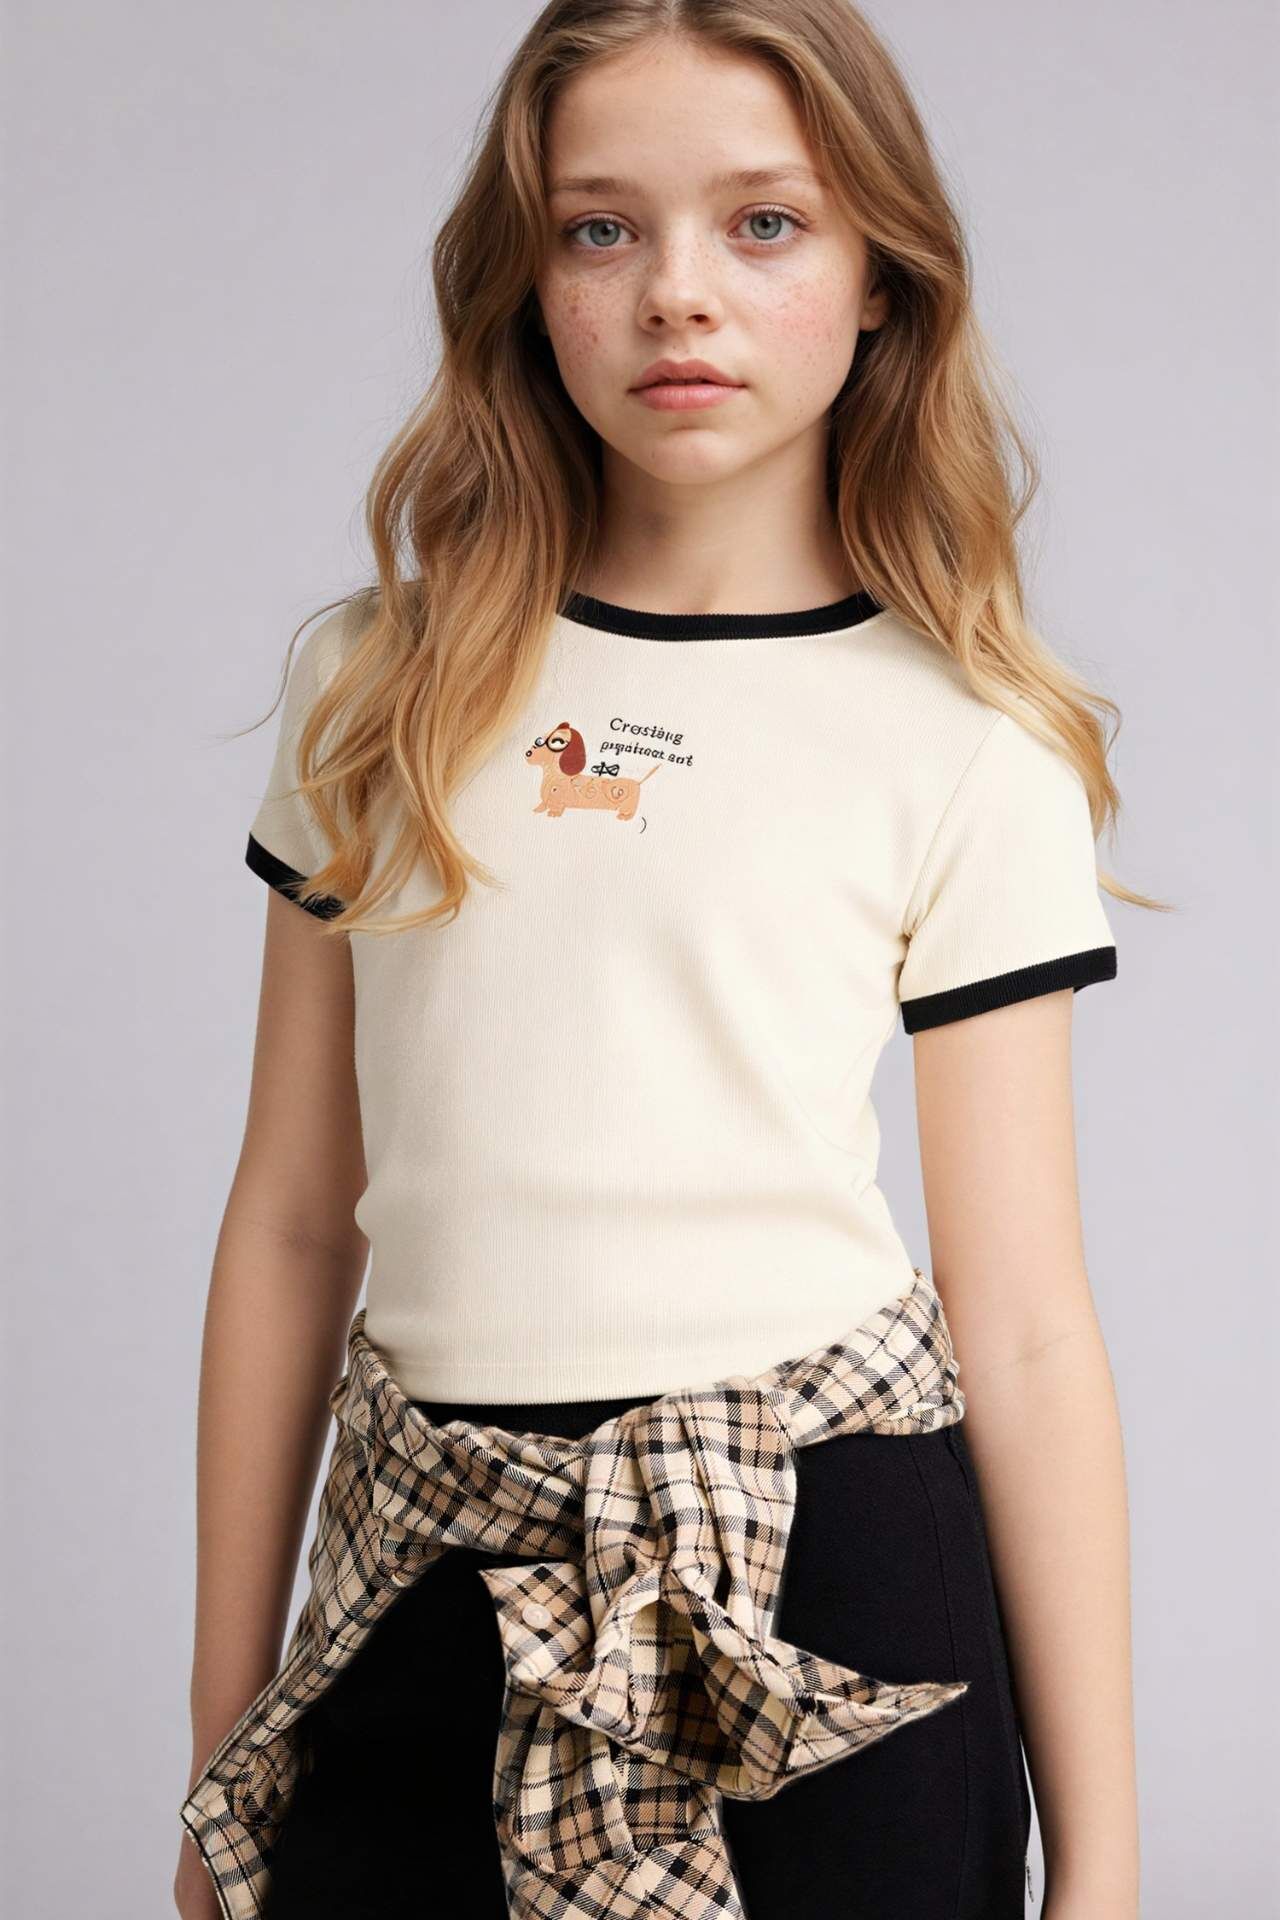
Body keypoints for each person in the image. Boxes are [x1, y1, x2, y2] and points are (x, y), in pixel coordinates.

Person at [174, 5, 1154, 1917]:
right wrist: (229, 1760)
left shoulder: (969, 738)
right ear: (526, 279)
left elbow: (1028, 1320)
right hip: (426, 1570)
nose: (677, 294)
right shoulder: (378, 684)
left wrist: (1103, 1869)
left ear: (883, 277)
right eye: (600, 227)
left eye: (764, 223)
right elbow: (292, 1224)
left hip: (828, 1600)